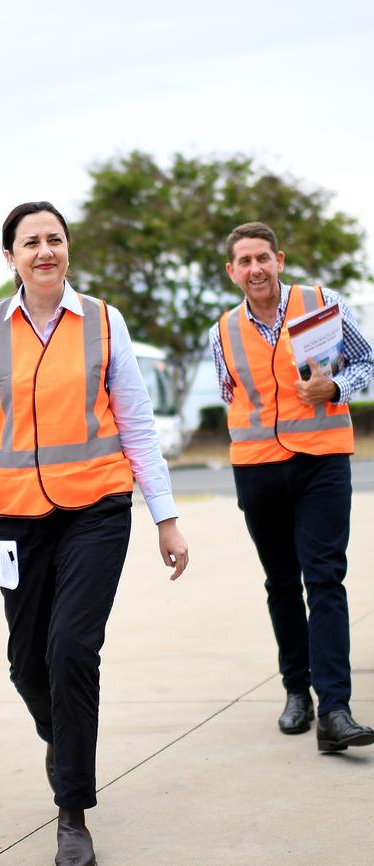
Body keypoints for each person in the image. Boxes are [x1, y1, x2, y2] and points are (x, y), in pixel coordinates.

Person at [0, 201, 188, 866]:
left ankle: (72, 813)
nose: (44, 250)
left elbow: (138, 424)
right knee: (27, 666)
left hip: (96, 511)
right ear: (10, 257)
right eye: (31, 242)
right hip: (18, 520)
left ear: (67, 250)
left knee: (73, 649)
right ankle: (65, 741)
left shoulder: (104, 323)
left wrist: (164, 518)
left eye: (54, 238)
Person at [210, 221, 374, 752]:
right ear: (232, 271)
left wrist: (335, 385)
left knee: (324, 578)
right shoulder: (222, 331)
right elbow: (230, 394)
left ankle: (336, 710)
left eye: (263, 258)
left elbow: (367, 360)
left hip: (321, 461)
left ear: (279, 259)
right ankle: (296, 692)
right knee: (281, 582)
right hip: (257, 468)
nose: (255, 269)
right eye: (244, 262)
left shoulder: (322, 303)